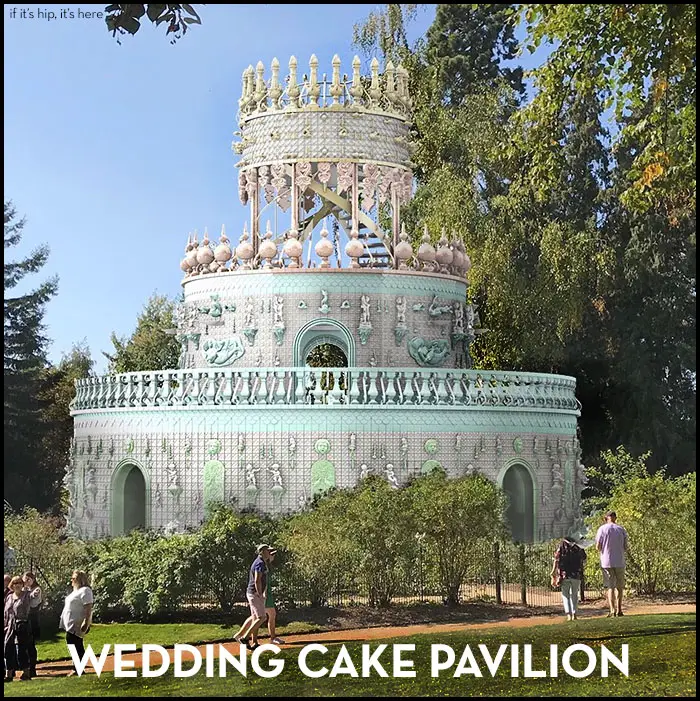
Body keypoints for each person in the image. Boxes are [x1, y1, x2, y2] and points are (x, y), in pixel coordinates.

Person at [234, 545, 273, 650]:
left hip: (253, 593)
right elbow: (257, 580)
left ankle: (253, 642)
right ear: (263, 552)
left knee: (255, 618)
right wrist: (260, 594)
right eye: (268, 551)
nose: (270, 552)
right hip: (254, 594)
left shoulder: (262, 562)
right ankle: (245, 637)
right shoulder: (259, 563)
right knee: (262, 617)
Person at [595, 510, 629, 617]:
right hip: (619, 560)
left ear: (606, 518)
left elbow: (598, 546)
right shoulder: (621, 529)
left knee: (610, 586)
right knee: (619, 586)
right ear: (615, 518)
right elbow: (625, 547)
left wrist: (604, 550)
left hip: (606, 561)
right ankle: (619, 609)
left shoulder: (602, 529)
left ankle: (612, 610)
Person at [59, 570, 93, 661]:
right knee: (72, 643)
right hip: (70, 624)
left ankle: (78, 667)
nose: (71, 580)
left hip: (77, 623)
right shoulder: (75, 591)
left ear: (80, 579)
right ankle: (77, 666)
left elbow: (88, 607)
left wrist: (86, 622)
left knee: (76, 644)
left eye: (74, 578)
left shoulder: (85, 590)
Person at [550, 535, 587, 621]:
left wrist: (553, 573)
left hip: (564, 575)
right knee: (574, 595)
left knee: (565, 595)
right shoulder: (578, 546)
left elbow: (556, 559)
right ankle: (574, 614)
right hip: (576, 574)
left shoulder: (561, 546)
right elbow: (584, 558)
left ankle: (569, 615)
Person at [4, 576, 32, 682]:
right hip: (9, 626)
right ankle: (9, 674)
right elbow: (6, 612)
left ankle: (26, 673)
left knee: (21, 649)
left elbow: (35, 598)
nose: (17, 585)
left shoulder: (26, 595)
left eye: (19, 583)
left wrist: (29, 585)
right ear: (12, 585)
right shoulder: (9, 596)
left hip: (21, 624)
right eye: (15, 583)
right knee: (7, 649)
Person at [23, 573, 42, 678]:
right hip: (24, 619)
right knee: (24, 645)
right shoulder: (25, 590)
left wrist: (25, 589)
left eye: (28, 579)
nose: (26, 581)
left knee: (30, 644)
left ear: (33, 579)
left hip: (32, 619)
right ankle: (26, 667)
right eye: (25, 579)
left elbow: (31, 601)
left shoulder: (36, 589)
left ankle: (32, 668)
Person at [263, 549, 284, 645]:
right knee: (269, 615)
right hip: (266, 594)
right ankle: (272, 638)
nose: (273, 556)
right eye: (272, 554)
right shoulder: (264, 567)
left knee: (267, 616)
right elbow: (264, 581)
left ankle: (272, 637)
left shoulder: (268, 566)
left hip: (268, 594)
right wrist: (264, 593)